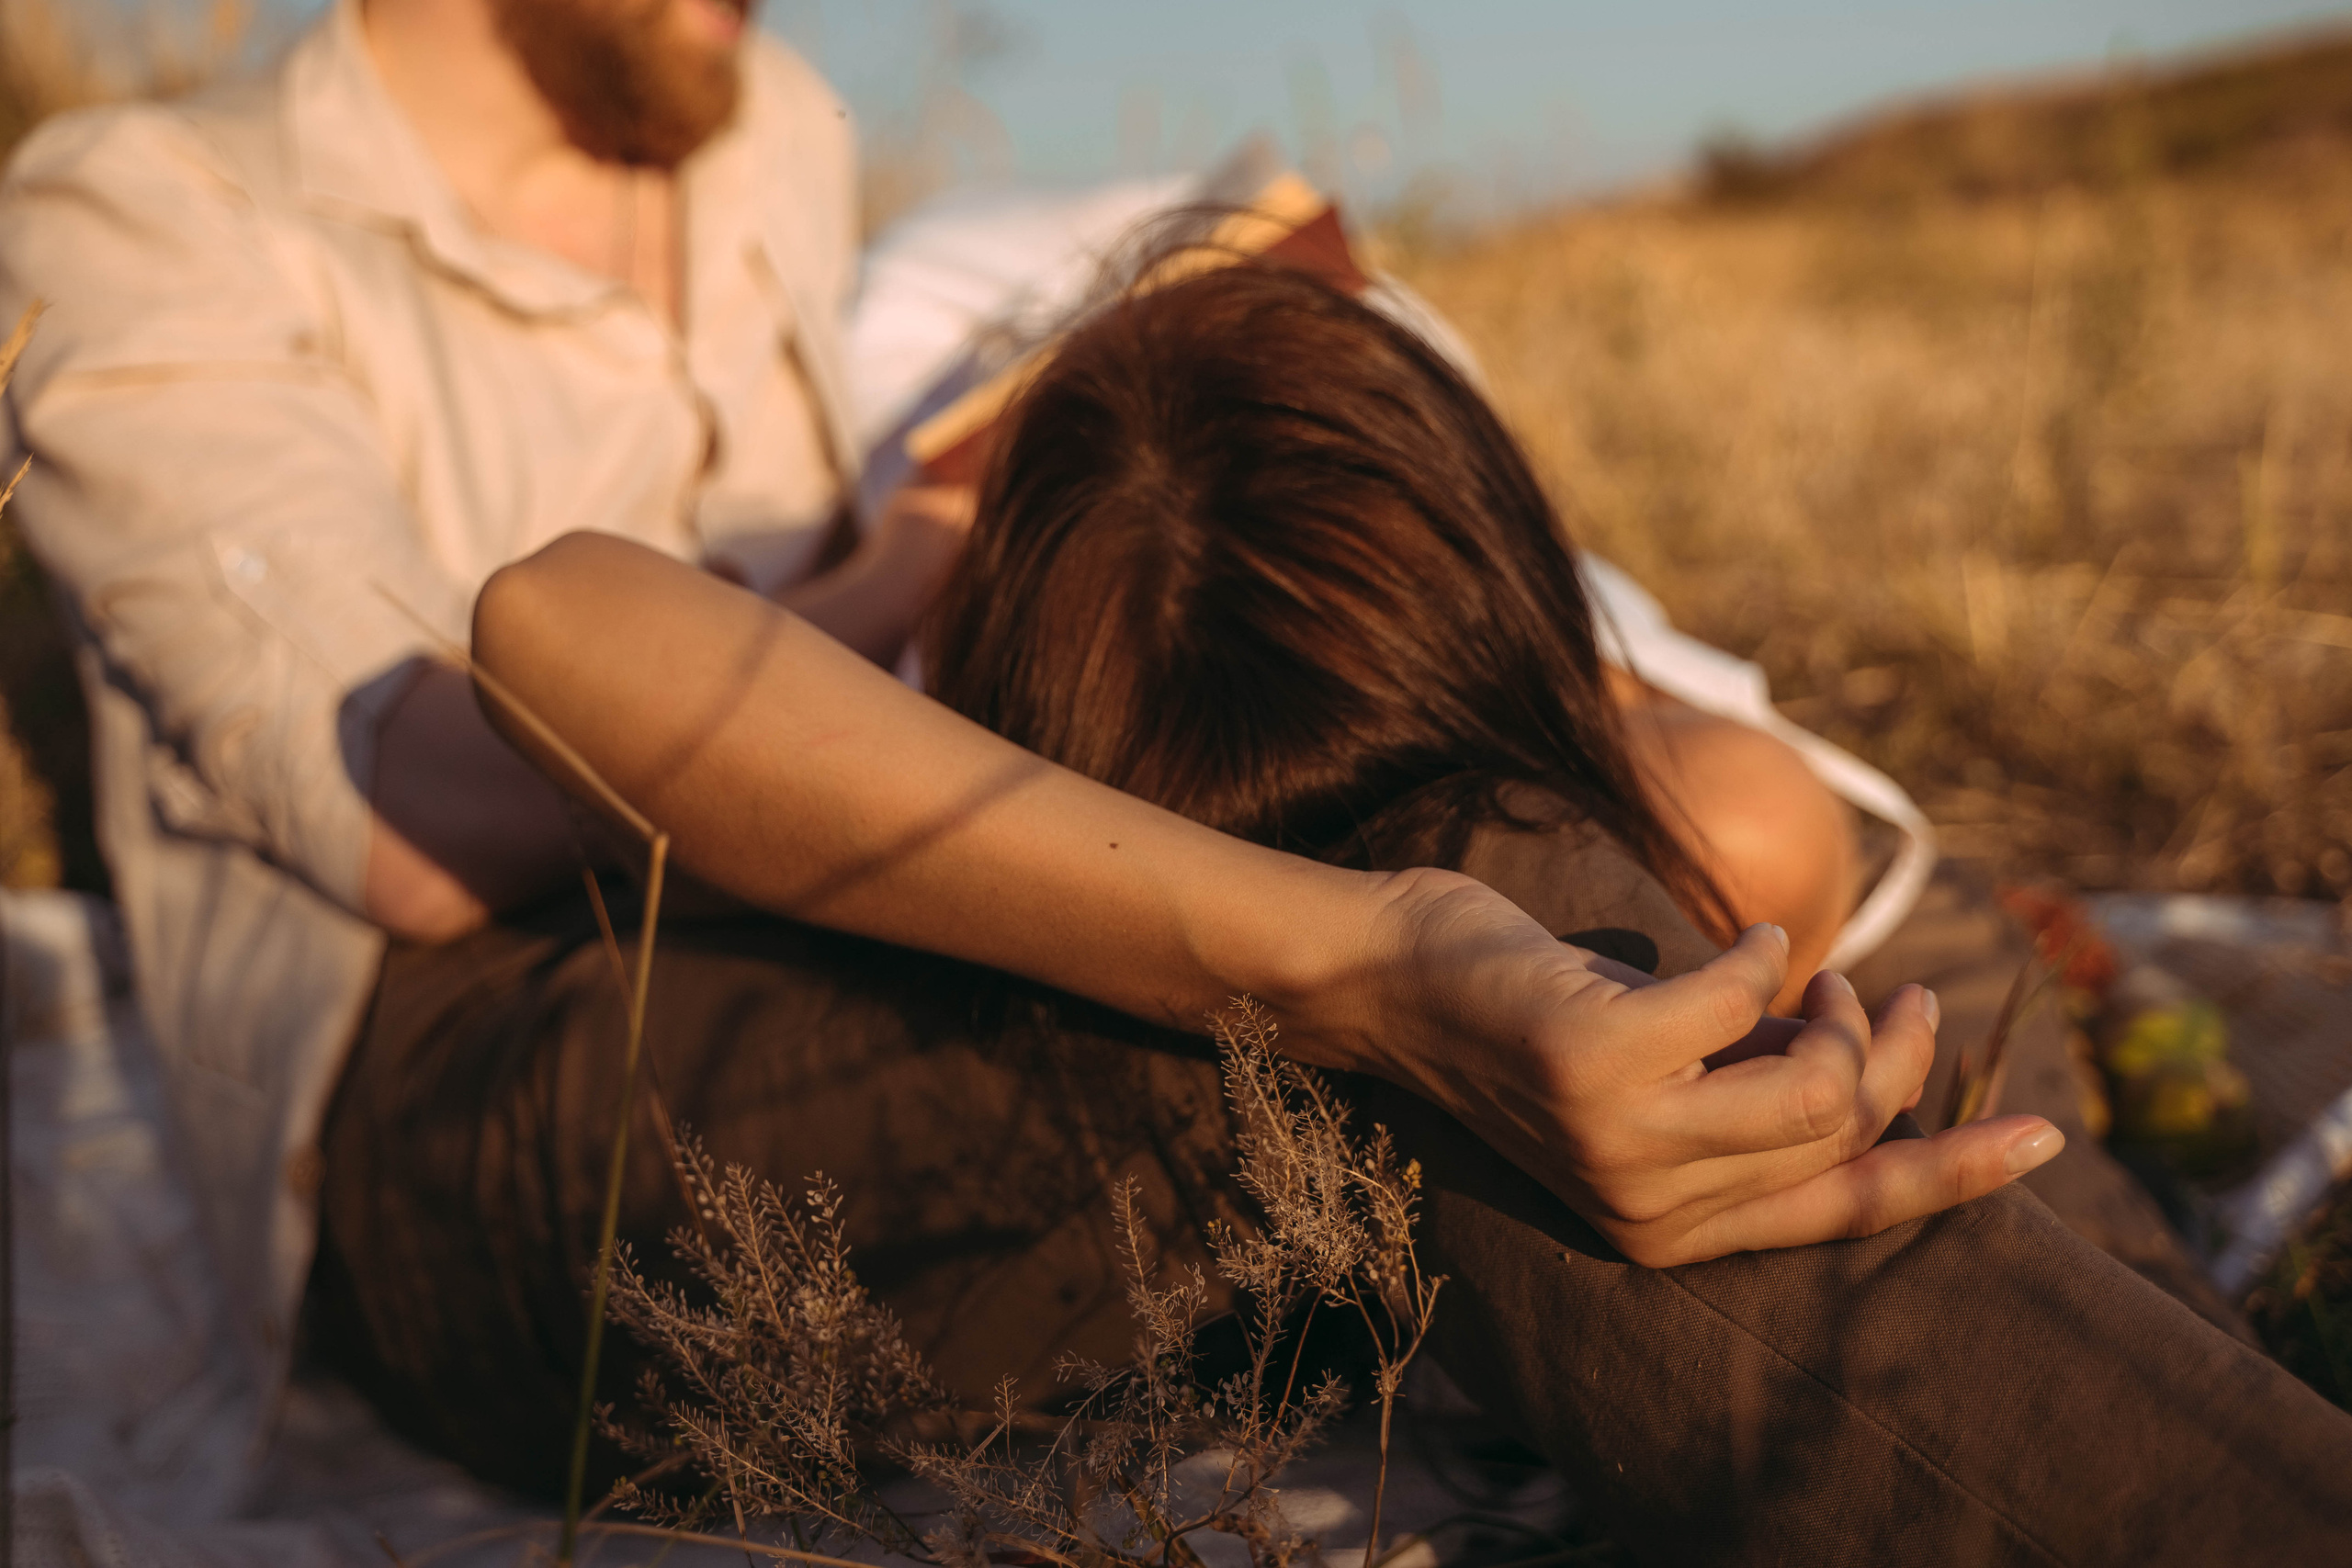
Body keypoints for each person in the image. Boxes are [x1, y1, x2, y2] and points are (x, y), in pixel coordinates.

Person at [311, 262, 2352, 1562]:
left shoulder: (1522, 632)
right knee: (1538, 1005)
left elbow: (1796, 846)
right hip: (511, 1172)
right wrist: (1366, 961)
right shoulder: (982, 540)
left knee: (1603, 1018)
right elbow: (550, 618)